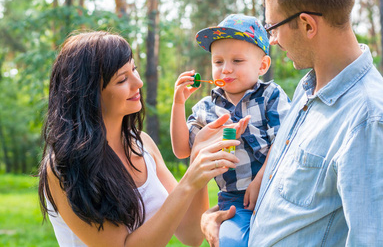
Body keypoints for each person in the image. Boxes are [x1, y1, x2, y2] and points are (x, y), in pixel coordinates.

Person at [201, 0, 383, 247]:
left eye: (272, 28)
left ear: (308, 25)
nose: (272, 41)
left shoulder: (369, 119)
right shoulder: (307, 89)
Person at [37, 31, 250, 247]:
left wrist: (197, 160)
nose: (138, 83)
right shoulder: (64, 167)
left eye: (134, 69)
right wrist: (188, 181)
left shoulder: (143, 143)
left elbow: (191, 235)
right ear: (89, 94)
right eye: (122, 79)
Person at [170, 14, 291, 246]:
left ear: (262, 65)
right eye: (218, 62)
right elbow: (182, 150)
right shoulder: (206, 108)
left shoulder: (270, 96)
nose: (226, 69)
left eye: (237, 61)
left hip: (276, 189)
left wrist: (261, 178)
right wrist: (178, 104)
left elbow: (285, 141)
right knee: (231, 242)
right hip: (234, 202)